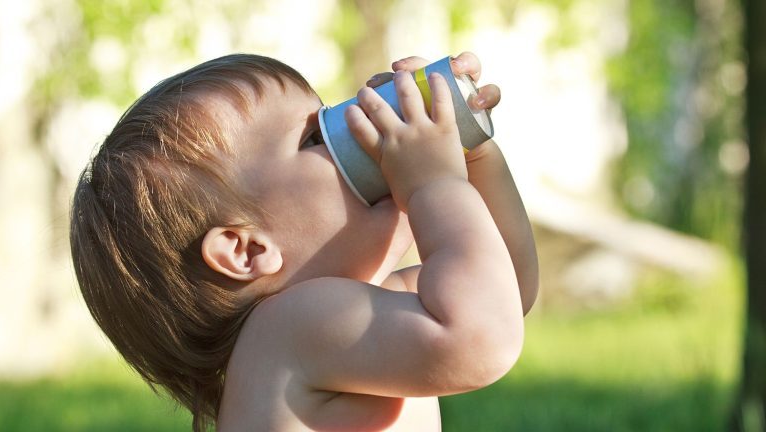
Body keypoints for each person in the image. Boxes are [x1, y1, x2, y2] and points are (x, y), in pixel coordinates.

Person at [70, 51, 538, 431]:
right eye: (318, 137)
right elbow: (482, 338)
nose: (358, 130)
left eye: (335, 116)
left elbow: (506, 291)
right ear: (246, 250)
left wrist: (469, 148)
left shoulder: (346, 314)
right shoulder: (291, 327)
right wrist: (433, 185)